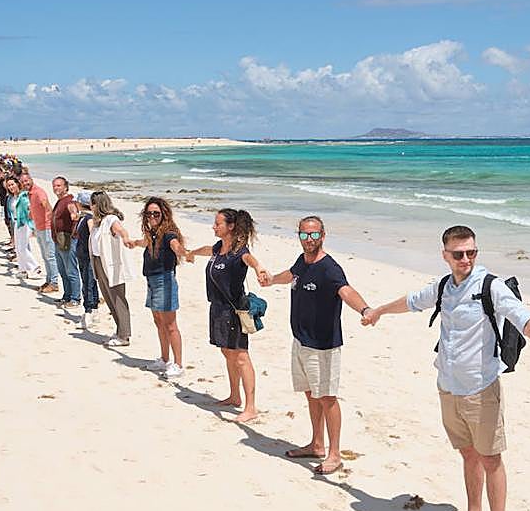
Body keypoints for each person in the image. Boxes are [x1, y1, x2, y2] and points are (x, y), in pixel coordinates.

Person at [361, 225, 530, 511]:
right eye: (458, 254)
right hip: (447, 386)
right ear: (445, 255)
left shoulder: (491, 287)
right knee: (468, 454)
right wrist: (378, 311)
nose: (465, 259)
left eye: (471, 253)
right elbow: (412, 301)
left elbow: (524, 318)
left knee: (491, 459)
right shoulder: (445, 286)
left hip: (480, 389)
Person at [260, 216, 371, 474]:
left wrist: (365, 309)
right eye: (304, 235)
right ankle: (316, 444)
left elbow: (346, 291)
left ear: (323, 235)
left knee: (328, 398)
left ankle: (334, 454)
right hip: (301, 340)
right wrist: (272, 280)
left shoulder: (329, 268)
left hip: (323, 346)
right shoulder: (303, 261)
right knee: (311, 394)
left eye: (313, 235)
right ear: (298, 236)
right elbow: (292, 274)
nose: (309, 240)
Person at [186, 209, 269, 423]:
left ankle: (251, 407)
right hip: (217, 308)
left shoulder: (238, 251)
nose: (214, 227)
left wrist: (259, 268)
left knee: (240, 355)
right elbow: (207, 250)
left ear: (230, 226)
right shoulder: (217, 248)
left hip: (232, 310)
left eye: (217, 224)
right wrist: (191, 253)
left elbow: (250, 259)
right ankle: (234, 396)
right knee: (227, 351)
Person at [126, 197, 189, 378]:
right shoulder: (153, 233)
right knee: (158, 321)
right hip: (152, 281)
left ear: (164, 215)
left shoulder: (168, 233)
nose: (152, 216)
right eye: (149, 213)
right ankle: (164, 359)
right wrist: (134, 243)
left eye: (156, 213)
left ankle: (178, 364)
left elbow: (175, 245)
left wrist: (184, 253)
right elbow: (146, 242)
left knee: (170, 325)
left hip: (165, 281)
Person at [88, 191, 135, 347]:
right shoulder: (98, 222)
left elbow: (121, 230)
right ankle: (119, 329)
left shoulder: (110, 220)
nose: (90, 206)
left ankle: (124, 335)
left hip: (111, 265)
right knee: (108, 298)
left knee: (118, 298)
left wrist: (126, 238)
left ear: (98, 204)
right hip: (98, 262)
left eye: (92, 203)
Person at [20, 171, 60, 296]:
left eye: (26, 181)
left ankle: (54, 283)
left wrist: (50, 221)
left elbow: (47, 206)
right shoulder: (30, 194)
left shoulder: (38, 192)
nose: (25, 183)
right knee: (45, 256)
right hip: (39, 228)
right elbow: (34, 209)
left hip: (46, 228)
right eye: (22, 182)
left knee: (50, 256)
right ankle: (49, 280)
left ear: (31, 179)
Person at [50, 177, 82, 311]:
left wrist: (74, 216)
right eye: (54, 186)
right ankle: (67, 295)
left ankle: (75, 298)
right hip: (58, 241)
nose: (56, 188)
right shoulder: (60, 201)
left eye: (59, 185)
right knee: (63, 271)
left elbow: (75, 213)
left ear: (65, 187)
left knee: (71, 271)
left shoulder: (69, 201)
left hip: (67, 240)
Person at [72, 193, 101, 328]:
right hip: (83, 256)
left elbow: (92, 235)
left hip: (88, 256)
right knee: (90, 283)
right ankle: (93, 311)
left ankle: (88, 312)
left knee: (88, 283)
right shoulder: (83, 218)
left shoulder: (88, 218)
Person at [6, 177, 40, 279]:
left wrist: (33, 226)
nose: (11, 187)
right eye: (9, 185)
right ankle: (23, 270)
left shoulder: (23, 196)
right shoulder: (11, 198)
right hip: (16, 223)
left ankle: (34, 266)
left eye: (12, 184)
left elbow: (30, 209)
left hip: (24, 223)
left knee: (22, 247)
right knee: (18, 248)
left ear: (17, 184)